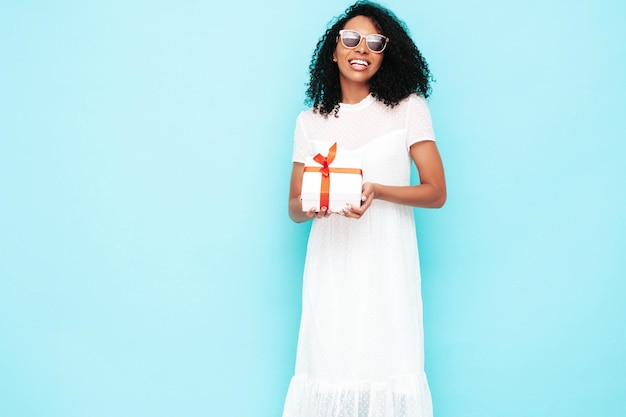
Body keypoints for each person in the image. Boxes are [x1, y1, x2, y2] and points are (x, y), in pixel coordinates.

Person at [284, 1, 446, 416]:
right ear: (334, 50)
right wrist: (318, 205)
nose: (362, 49)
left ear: (386, 54)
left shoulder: (408, 109)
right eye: (351, 39)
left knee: (388, 364)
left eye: (375, 42)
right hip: (331, 265)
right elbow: (293, 207)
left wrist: (377, 190)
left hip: (386, 264)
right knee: (331, 366)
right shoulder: (310, 121)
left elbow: (435, 191)